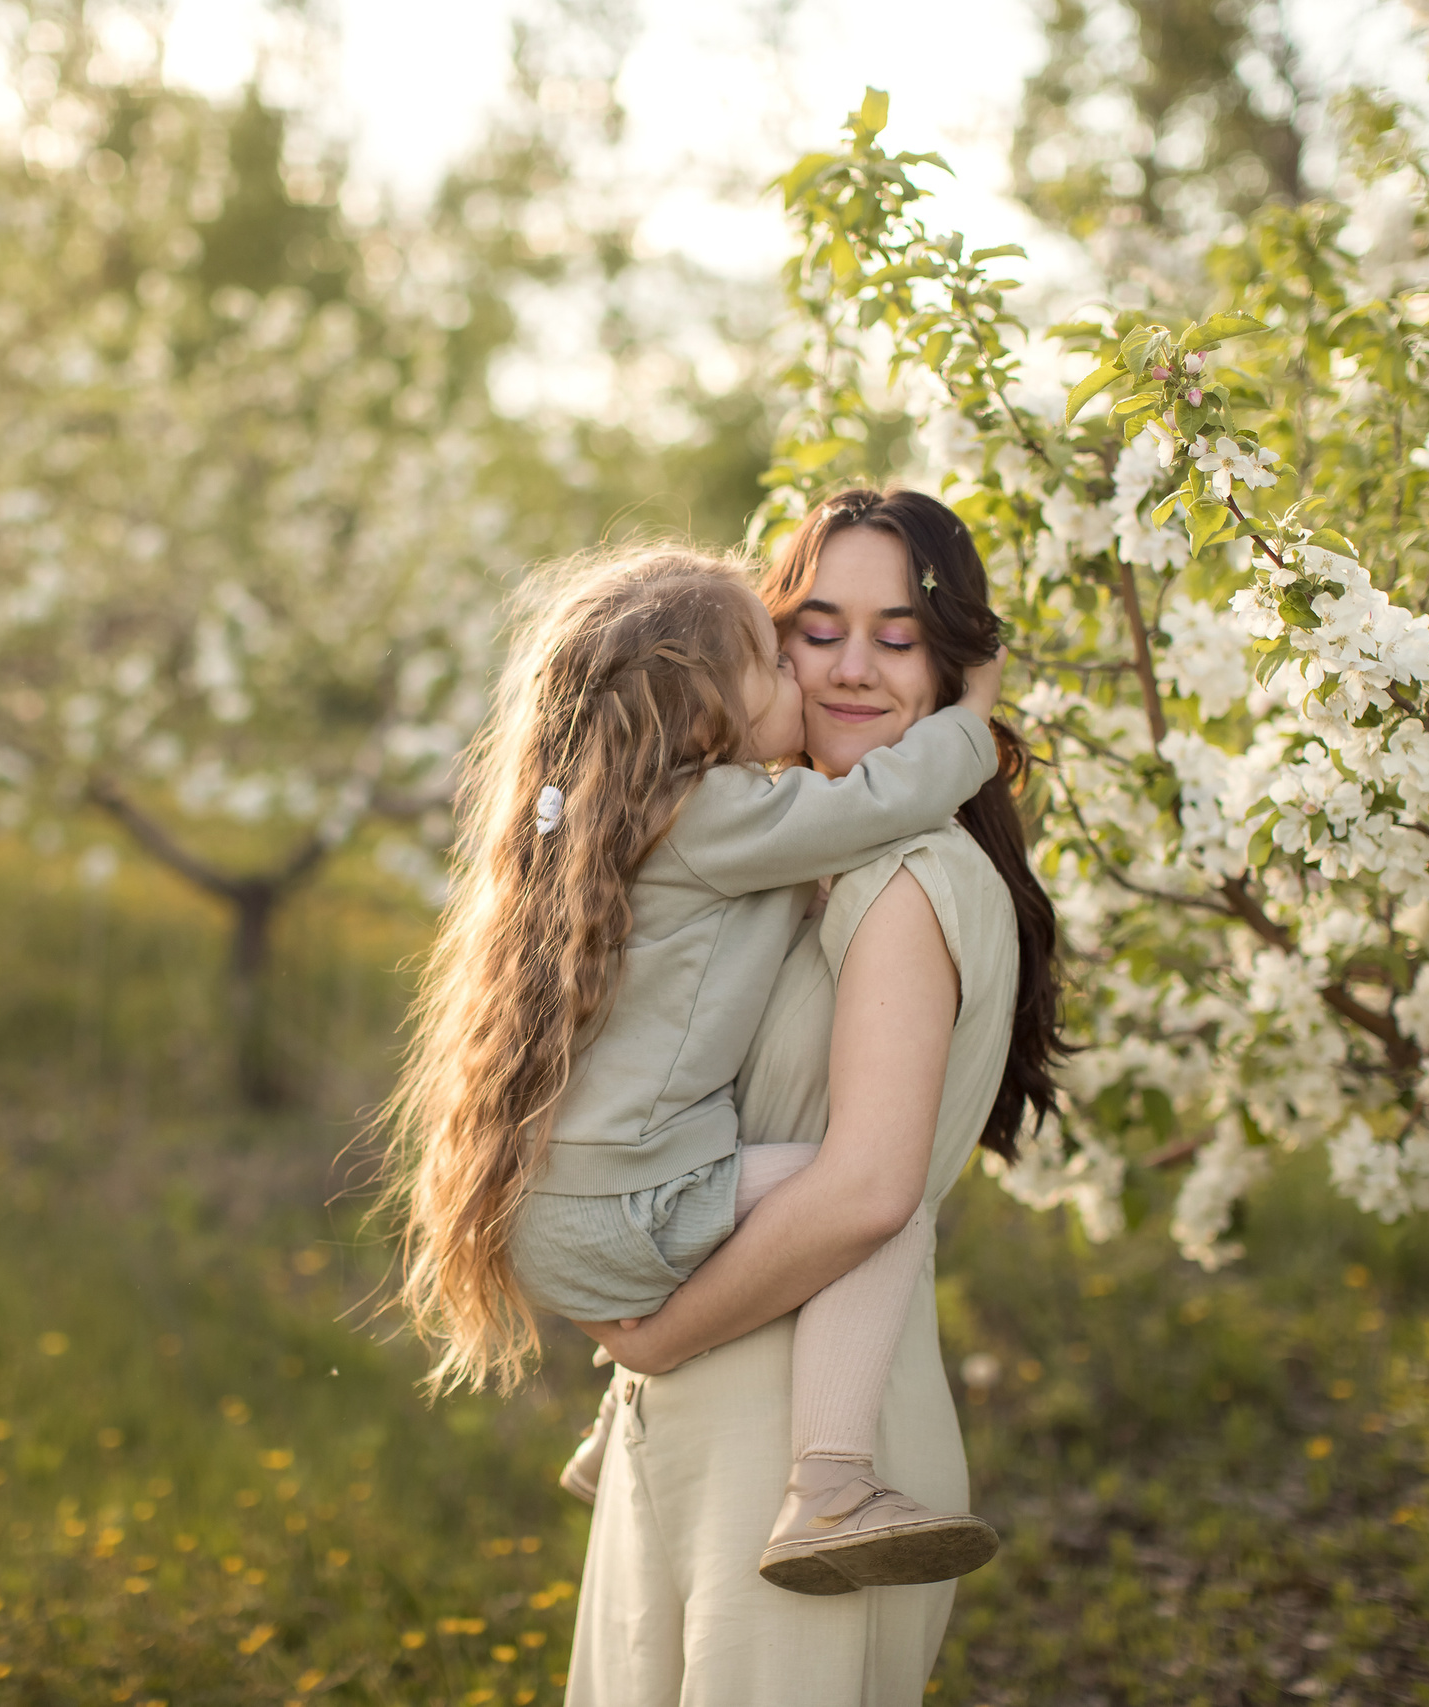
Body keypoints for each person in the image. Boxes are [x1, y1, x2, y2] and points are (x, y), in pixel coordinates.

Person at [381, 543, 1005, 1594]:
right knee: (875, 1203)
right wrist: (970, 717)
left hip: (559, 1202)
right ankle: (833, 1485)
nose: (802, 678)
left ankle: (608, 1426)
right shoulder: (715, 814)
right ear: (702, 709)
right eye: (772, 660)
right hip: (622, 1208)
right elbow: (878, 805)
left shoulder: (618, 818)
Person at [560, 487, 1066, 1704]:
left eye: (897, 638)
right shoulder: (781, 864)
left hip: (797, 1438)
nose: (850, 669)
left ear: (951, 672)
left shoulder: (899, 874)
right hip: (699, 1420)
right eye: (816, 627)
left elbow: (865, 1191)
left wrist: (651, 1337)